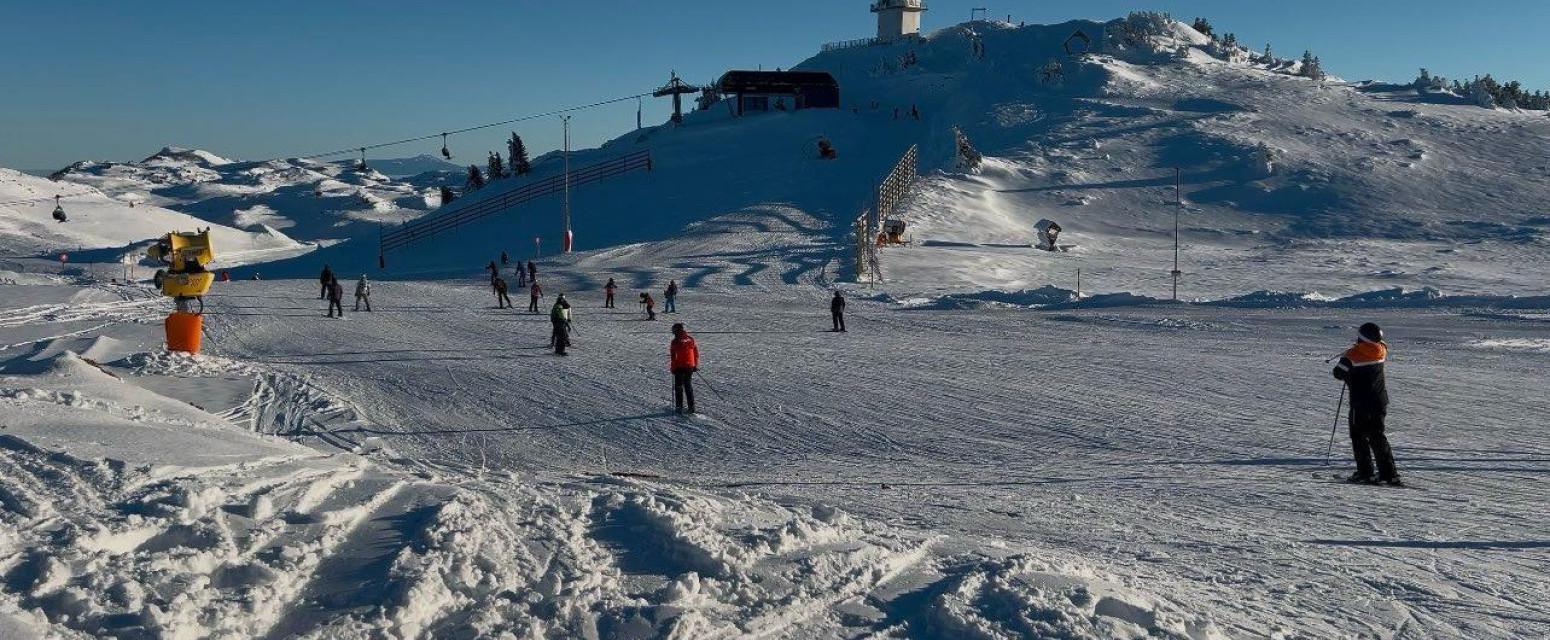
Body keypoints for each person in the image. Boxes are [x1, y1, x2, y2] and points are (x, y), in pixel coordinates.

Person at [1333, 322, 1401, 486]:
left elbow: (1338, 373)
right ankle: (1389, 474)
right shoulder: (1382, 350)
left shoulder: (1352, 356)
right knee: (1378, 436)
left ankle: (1365, 473)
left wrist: (1349, 352)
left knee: (1359, 436)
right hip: (1379, 401)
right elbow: (1375, 346)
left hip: (1360, 404)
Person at [669, 323, 699, 414]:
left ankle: (679, 406)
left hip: (679, 366)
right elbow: (696, 353)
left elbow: (673, 357)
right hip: (690, 365)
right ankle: (691, 407)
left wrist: (673, 367)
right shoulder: (691, 339)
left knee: (678, 386)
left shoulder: (675, 341)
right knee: (688, 385)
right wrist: (695, 365)